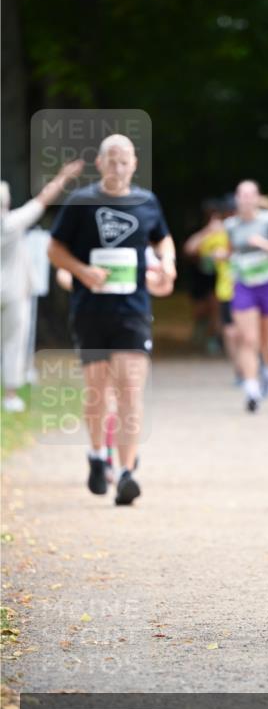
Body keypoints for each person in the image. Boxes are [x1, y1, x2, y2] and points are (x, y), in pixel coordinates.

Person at [47, 134, 176, 505]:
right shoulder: (81, 202)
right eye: (112, 161)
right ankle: (96, 454)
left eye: (125, 162)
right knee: (98, 392)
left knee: (131, 391)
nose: (118, 168)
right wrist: (82, 271)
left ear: (134, 164)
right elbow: (55, 249)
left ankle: (126, 473)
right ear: (100, 164)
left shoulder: (146, 202)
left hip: (133, 310)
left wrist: (167, 263)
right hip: (90, 311)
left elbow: (163, 240)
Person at [1, 160, 84, 412]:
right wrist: (64, 176)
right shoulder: (11, 223)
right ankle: (10, 394)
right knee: (15, 340)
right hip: (14, 291)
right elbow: (43, 199)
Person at [224, 180, 268, 412]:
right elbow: (229, 251)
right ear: (236, 198)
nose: (245, 199)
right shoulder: (231, 225)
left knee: (266, 341)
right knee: (248, 339)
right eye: (241, 195)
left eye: (250, 195)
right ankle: (251, 390)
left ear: (257, 198)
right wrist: (221, 255)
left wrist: (264, 244)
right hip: (244, 285)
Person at [183, 196, 240, 377]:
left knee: (244, 330)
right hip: (221, 284)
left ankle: (252, 365)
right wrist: (208, 230)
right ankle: (239, 370)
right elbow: (190, 248)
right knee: (228, 328)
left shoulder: (246, 230)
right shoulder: (217, 231)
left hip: (248, 286)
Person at [184, 200, 222, 354]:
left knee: (215, 307)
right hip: (200, 275)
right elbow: (189, 251)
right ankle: (201, 329)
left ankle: (213, 337)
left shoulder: (225, 231)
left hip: (218, 276)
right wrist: (207, 231)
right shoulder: (200, 231)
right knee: (200, 309)